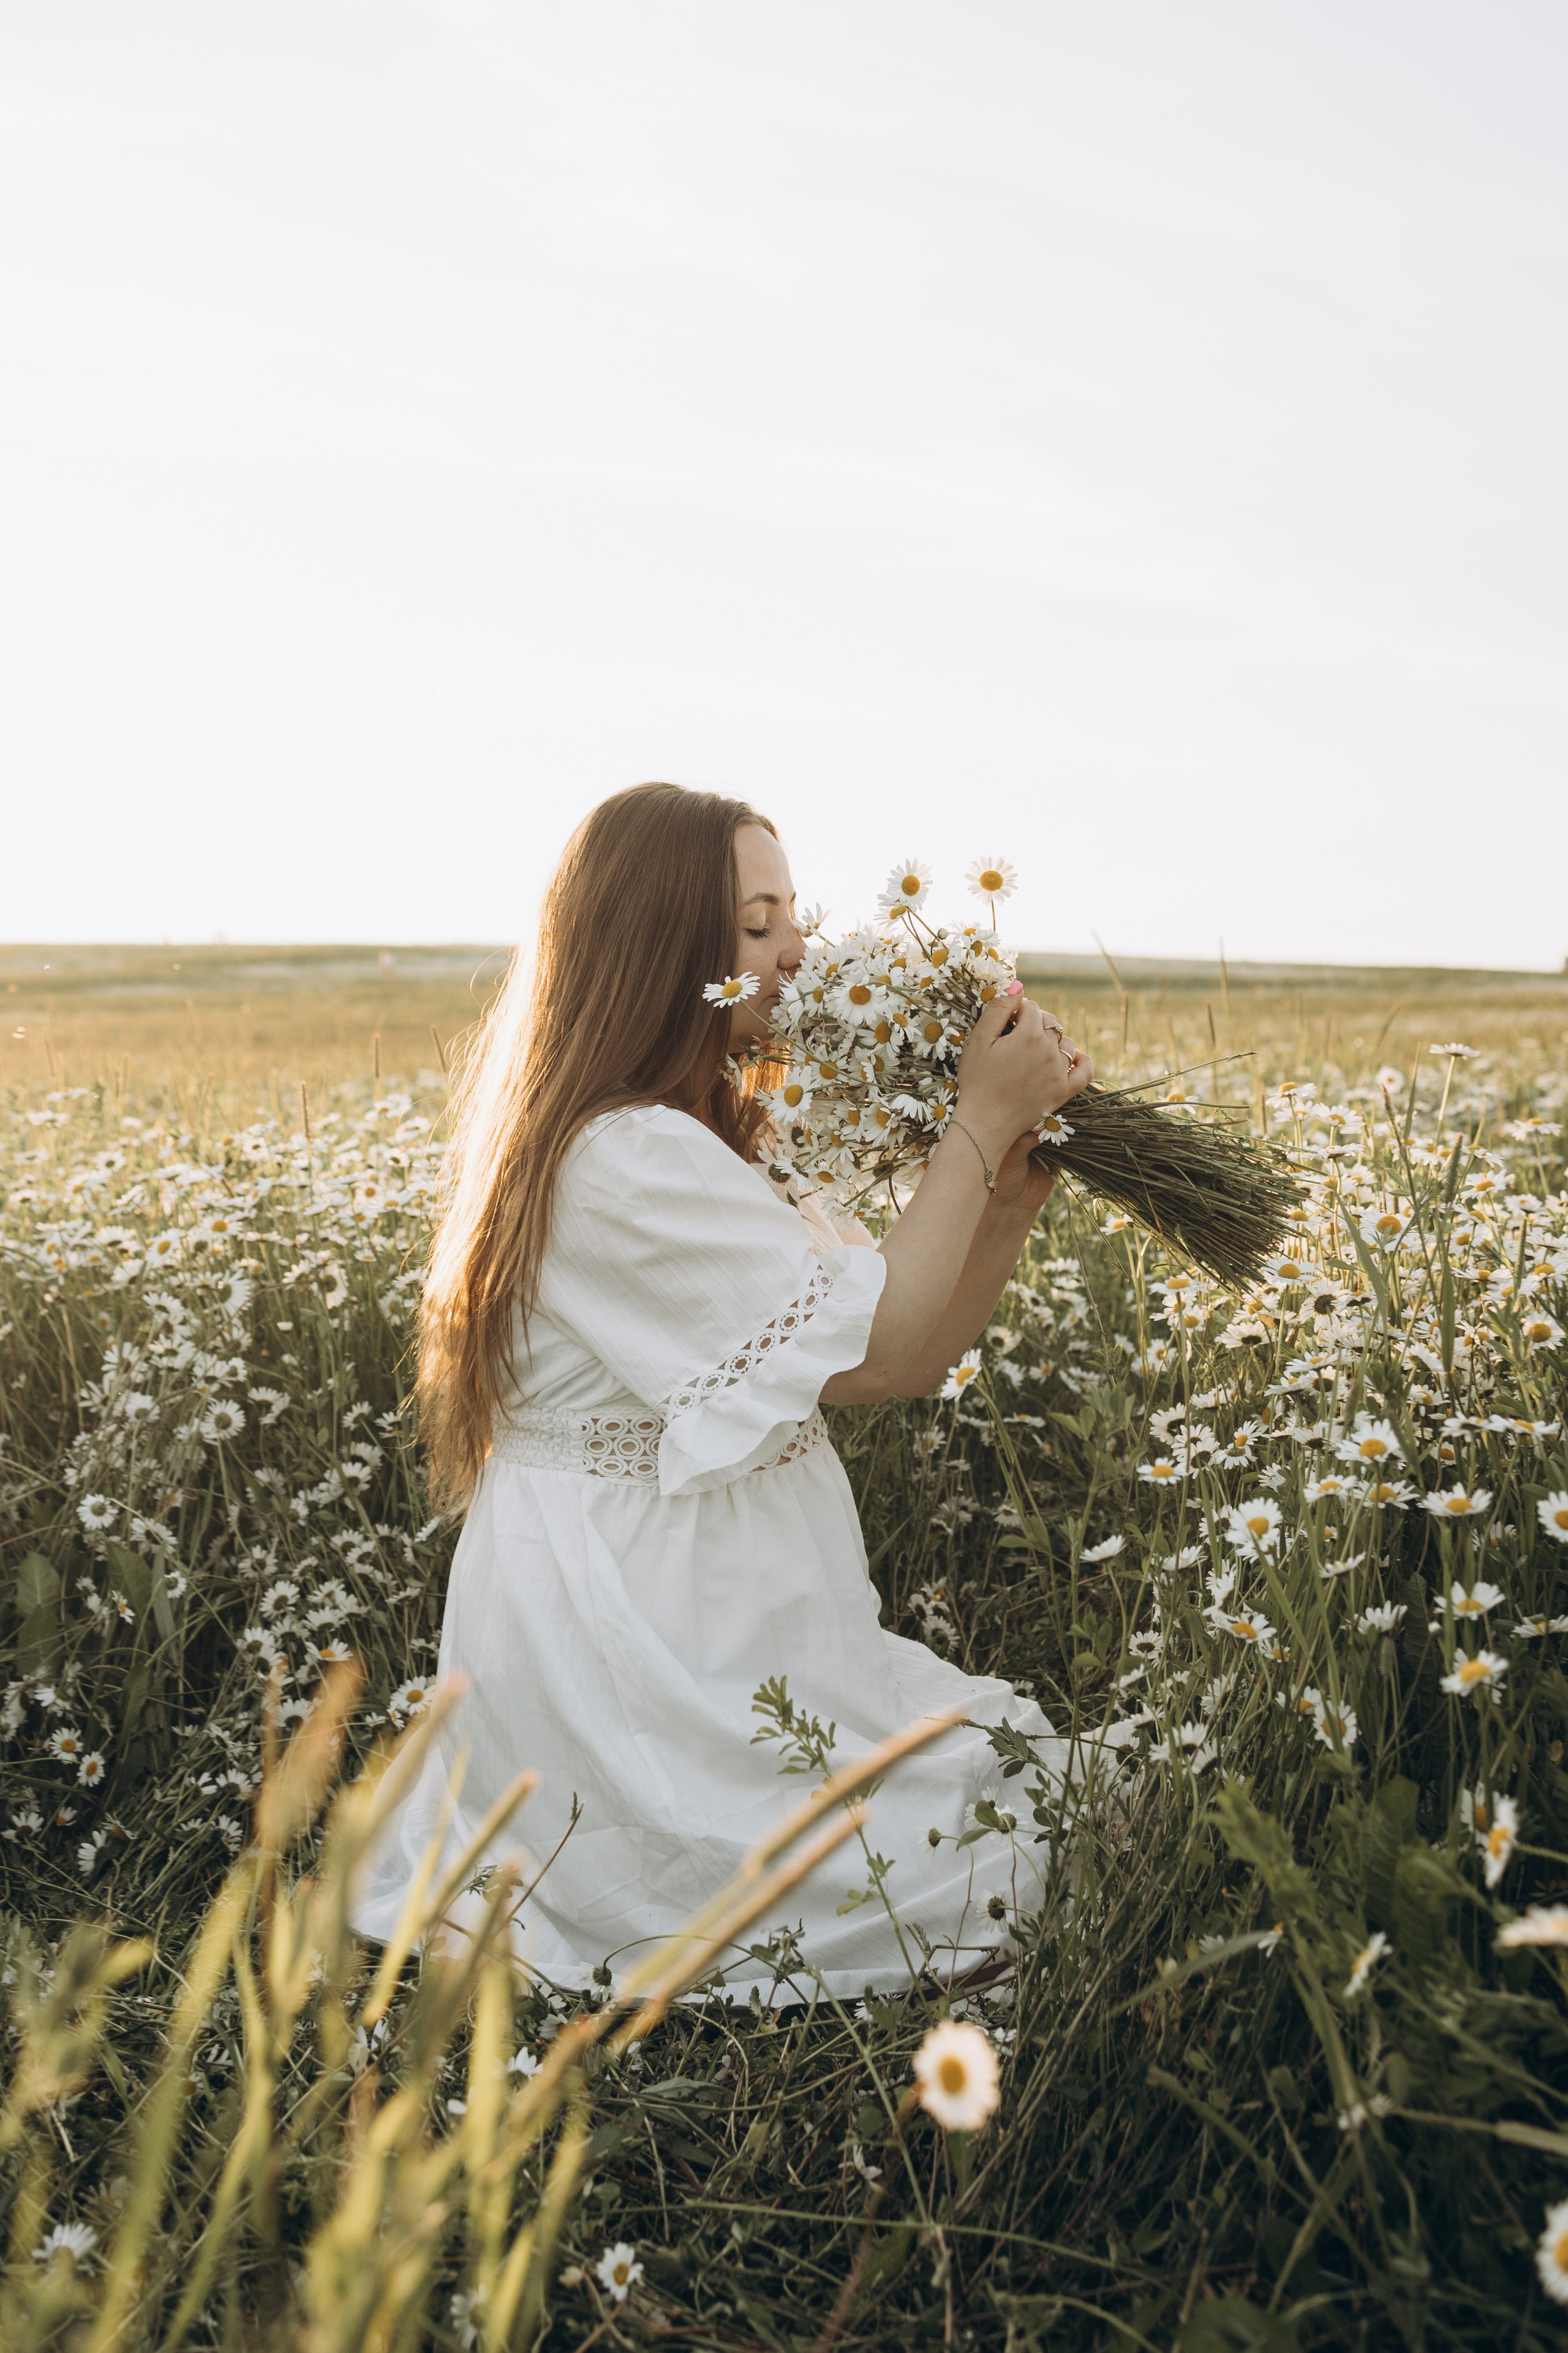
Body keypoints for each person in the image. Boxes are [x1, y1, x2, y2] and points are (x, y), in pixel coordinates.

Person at [350, 782, 1096, 2004]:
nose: (798, 945)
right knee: (996, 1846)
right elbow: (871, 1346)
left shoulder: (692, 1138)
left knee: (1025, 1790)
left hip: (718, 1629)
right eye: (756, 922)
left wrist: (1004, 1193)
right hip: (644, 1651)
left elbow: (896, 1364)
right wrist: (974, 1118)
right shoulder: (618, 1158)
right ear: (659, 946)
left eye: (790, 911)